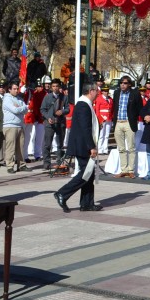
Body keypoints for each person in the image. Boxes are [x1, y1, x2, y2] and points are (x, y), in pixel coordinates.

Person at [54, 82, 103, 212]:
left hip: (83, 144)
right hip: (82, 146)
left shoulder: (85, 104)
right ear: (90, 91)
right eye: (96, 90)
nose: (98, 93)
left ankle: (87, 204)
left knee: (89, 174)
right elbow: (85, 128)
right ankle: (62, 193)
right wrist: (91, 147)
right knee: (85, 173)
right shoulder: (83, 105)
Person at [110, 76, 142, 178]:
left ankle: (131, 170)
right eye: (121, 83)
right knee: (121, 148)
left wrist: (135, 117)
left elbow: (140, 108)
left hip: (129, 122)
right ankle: (123, 170)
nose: (122, 85)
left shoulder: (135, 94)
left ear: (129, 84)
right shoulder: (116, 93)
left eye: (125, 83)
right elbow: (115, 107)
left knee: (131, 148)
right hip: (118, 122)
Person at [2, 82, 30, 173]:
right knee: (11, 147)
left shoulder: (19, 99)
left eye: (17, 88)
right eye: (14, 89)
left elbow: (26, 110)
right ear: (9, 89)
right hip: (10, 125)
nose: (16, 90)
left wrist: (21, 108)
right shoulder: (6, 99)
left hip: (20, 125)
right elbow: (15, 110)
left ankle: (21, 164)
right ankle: (9, 165)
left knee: (20, 147)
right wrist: (23, 107)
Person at [40, 79, 68, 170]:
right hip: (49, 123)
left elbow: (68, 108)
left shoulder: (64, 97)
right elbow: (42, 109)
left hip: (60, 123)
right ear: (51, 87)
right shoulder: (47, 97)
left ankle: (59, 162)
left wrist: (62, 111)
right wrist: (48, 117)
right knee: (47, 144)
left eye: (57, 86)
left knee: (60, 143)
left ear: (59, 87)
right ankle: (47, 164)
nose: (55, 88)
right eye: (53, 86)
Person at [94, 85, 113, 154]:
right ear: (102, 92)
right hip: (102, 118)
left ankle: (105, 149)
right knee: (101, 135)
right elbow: (97, 110)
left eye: (107, 91)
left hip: (109, 118)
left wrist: (112, 117)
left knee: (107, 134)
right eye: (104, 91)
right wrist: (99, 119)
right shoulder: (99, 99)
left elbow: (112, 109)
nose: (106, 92)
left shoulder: (110, 99)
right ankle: (100, 149)